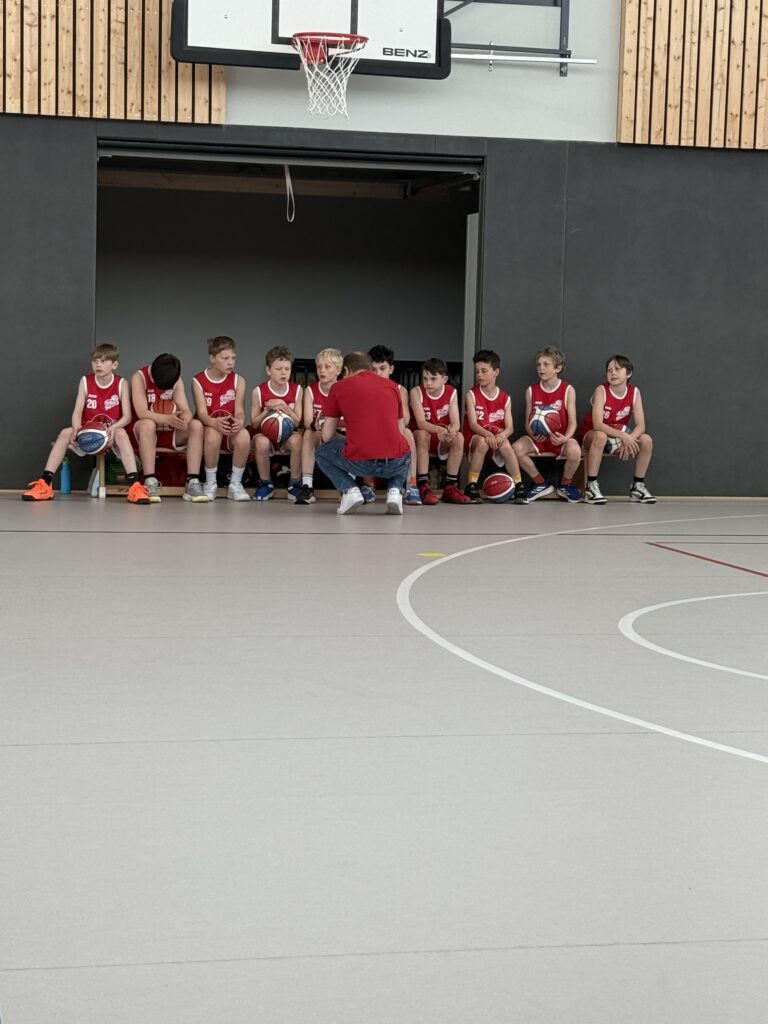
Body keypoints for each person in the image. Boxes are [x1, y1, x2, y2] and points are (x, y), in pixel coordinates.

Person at [23, 343, 150, 504]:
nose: (98, 364)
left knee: (121, 433)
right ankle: (45, 484)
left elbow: (127, 416)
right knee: (65, 433)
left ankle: (135, 487)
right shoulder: (85, 381)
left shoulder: (121, 383)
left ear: (114, 365)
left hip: (110, 434)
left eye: (103, 361)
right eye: (95, 361)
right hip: (88, 434)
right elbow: (77, 411)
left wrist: (114, 427)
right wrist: (77, 427)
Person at [316, 351, 410, 515]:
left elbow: (326, 436)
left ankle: (350, 490)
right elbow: (400, 430)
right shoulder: (393, 387)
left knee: (322, 453)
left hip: (360, 463)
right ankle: (395, 491)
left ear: (346, 370)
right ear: (371, 368)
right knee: (404, 447)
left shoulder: (338, 387)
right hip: (394, 463)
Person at [580, 354, 656, 504]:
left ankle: (637, 487)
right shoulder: (601, 390)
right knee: (600, 436)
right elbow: (597, 424)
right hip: (592, 434)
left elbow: (641, 425)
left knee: (646, 440)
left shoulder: (634, 392)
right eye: (609, 370)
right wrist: (623, 436)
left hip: (618, 436)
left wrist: (630, 438)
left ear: (629, 373)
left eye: (617, 369)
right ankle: (591, 486)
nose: (612, 373)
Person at [131, 353, 207, 502]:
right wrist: (167, 419)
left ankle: (192, 481)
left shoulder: (175, 379)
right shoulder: (139, 377)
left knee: (196, 425)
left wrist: (184, 419)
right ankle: (150, 480)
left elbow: (186, 410)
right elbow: (141, 413)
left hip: (170, 432)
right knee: (147, 424)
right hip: (144, 434)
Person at [512, 346, 583, 503]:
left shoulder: (567, 389)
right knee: (515, 449)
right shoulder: (531, 390)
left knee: (575, 451)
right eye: (539, 364)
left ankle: (565, 484)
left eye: (546, 364)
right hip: (539, 438)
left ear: (558, 368)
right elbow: (527, 424)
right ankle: (540, 483)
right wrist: (533, 435)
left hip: (560, 437)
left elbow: (573, 422)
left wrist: (565, 438)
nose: (541, 368)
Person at [192, 336, 252, 501]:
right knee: (213, 434)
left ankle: (235, 484)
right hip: (209, 427)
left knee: (244, 436)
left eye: (233, 358)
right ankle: (210, 482)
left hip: (228, 429)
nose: (230, 362)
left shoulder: (239, 380)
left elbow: (240, 411)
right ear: (212, 358)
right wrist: (214, 423)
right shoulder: (198, 380)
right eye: (225, 358)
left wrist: (239, 421)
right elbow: (202, 413)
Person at [463, 349, 527, 504]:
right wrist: (488, 435)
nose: (479, 374)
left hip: (496, 436)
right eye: (477, 371)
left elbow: (510, 428)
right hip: (475, 436)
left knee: (506, 444)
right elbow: (473, 423)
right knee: (483, 443)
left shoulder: (505, 397)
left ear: (496, 372)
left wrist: (501, 436)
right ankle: (471, 485)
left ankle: (519, 485)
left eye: (484, 371)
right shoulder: (471, 394)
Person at [409, 357, 473, 505]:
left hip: (441, 437)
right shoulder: (416, 392)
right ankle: (423, 485)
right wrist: (438, 429)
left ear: (444, 379)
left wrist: (450, 432)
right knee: (422, 434)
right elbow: (421, 423)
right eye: (425, 378)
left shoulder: (451, 392)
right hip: (422, 437)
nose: (428, 383)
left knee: (459, 437)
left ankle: (450, 487)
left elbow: (456, 423)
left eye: (433, 379)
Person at [368, 345, 420, 505]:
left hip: (393, 432)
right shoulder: (365, 389)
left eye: (382, 368)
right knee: (363, 432)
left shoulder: (399, 390)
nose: (378, 373)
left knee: (408, 433)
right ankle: (368, 486)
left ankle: (412, 485)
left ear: (391, 369)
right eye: (373, 369)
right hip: (371, 433)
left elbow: (405, 419)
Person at [250, 345, 303, 501]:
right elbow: (254, 424)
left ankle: (295, 484)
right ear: (268, 370)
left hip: (287, 435)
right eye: (279, 369)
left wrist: (285, 407)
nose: (283, 372)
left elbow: (297, 422)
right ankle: (266, 484)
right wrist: (267, 410)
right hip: (266, 434)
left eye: (287, 369)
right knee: (261, 442)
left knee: (297, 439)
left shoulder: (297, 390)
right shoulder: (258, 391)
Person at [296, 347, 344, 505]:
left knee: (351, 437)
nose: (322, 371)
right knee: (308, 434)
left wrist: (332, 425)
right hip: (320, 434)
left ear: (338, 370)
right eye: (319, 367)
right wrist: (318, 424)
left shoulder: (345, 390)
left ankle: (348, 488)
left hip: (340, 436)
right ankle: (307, 487)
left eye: (327, 367)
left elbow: (352, 422)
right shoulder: (311, 390)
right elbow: (307, 422)